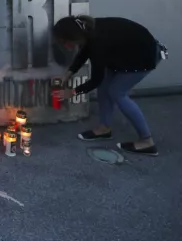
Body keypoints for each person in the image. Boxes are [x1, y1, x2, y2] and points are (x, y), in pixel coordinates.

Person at [54, 15, 160, 156]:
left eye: (65, 42)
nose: (65, 46)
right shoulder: (87, 29)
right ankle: (104, 129)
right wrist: (68, 73)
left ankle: (147, 141)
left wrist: (72, 92)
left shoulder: (99, 41)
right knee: (104, 88)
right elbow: (85, 52)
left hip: (143, 57)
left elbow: (96, 79)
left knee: (117, 93)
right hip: (122, 55)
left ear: (74, 36)